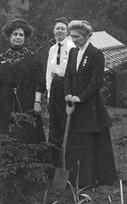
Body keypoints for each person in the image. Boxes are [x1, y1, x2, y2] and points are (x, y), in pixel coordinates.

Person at [63, 20, 117, 187]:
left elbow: (96, 82)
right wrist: (68, 94)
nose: (73, 39)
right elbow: (68, 76)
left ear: (87, 36)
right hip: (74, 104)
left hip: (91, 105)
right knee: (77, 142)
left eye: (77, 36)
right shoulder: (72, 52)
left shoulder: (96, 54)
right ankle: (77, 177)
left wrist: (81, 97)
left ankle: (95, 178)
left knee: (91, 142)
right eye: (71, 36)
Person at [0, 19, 46, 143]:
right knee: (7, 131)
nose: (18, 37)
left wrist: (37, 102)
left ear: (25, 37)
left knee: (27, 129)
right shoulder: (1, 58)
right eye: (15, 34)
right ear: (9, 36)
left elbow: (39, 82)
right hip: (6, 100)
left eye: (21, 35)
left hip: (27, 99)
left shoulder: (32, 58)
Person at [46, 17, 75, 167]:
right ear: (53, 31)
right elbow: (48, 72)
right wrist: (49, 92)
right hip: (55, 85)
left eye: (63, 28)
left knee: (65, 120)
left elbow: (72, 72)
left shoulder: (71, 48)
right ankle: (53, 157)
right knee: (54, 121)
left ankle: (65, 159)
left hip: (66, 85)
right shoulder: (52, 49)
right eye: (57, 28)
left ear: (67, 31)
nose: (60, 31)